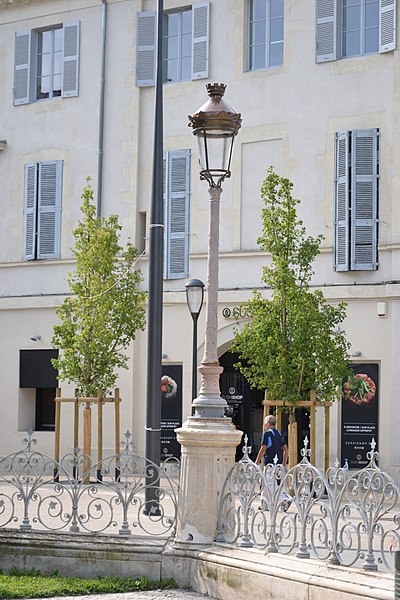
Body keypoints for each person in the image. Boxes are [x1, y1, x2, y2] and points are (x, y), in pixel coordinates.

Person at [255, 415, 291, 511]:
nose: (264, 425)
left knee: (270, 484)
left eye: (264, 423)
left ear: (267, 423)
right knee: (266, 484)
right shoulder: (279, 434)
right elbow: (285, 449)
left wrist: (257, 461)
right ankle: (264, 504)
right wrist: (283, 462)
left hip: (269, 464)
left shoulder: (267, 434)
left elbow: (263, 449)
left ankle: (284, 499)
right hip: (278, 464)